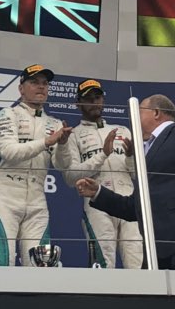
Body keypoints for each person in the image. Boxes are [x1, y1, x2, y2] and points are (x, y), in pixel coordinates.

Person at [76, 94, 175, 271]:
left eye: (139, 112)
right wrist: (98, 192)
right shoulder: (145, 151)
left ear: (156, 113)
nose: (133, 118)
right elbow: (135, 207)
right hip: (158, 251)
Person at [0, 64, 71, 266]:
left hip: (37, 199)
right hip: (6, 196)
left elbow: (62, 166)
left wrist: (63, 145)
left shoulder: (55, 124)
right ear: (21, 88)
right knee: (2, 261)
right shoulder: (8, 115)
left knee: (40, 265)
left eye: (45, 83)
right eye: (34, 82)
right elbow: (9, 152)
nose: (41, 87)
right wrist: (46, 142)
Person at [54, 79, 142, 269]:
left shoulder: (123, 130)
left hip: (129, 201)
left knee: (138, 263)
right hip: (98, 204)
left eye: (98, 97)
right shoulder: (73, 135)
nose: (94, 102)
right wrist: (102, 155)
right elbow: (70, 177)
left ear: (103, 100)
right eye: (89, 99)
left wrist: (130, 157)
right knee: (102, 264)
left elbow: (138, 175)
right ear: (78, 103)